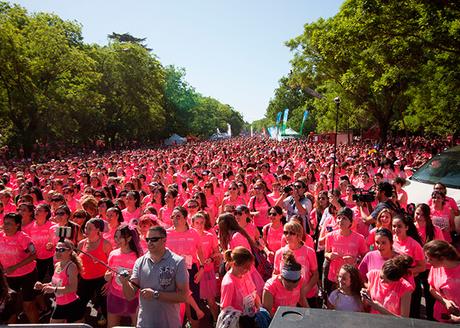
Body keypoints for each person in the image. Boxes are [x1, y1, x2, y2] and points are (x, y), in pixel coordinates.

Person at [120, 226, 189, 328]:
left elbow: (183, 296)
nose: (150, 243)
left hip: (169, 324)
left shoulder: (178, 262)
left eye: (154, 239)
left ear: (164, 240)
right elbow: (130, 296)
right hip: (144, 324)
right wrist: (125, 283)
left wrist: (156, 295)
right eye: (147, 239)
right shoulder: (139, 262)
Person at [34, 239, 85, 323]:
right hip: (60, 304)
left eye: (62, 250)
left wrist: (54, 289)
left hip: (72, 305)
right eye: (56, 249)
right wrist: (43, 285)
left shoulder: (71, 267)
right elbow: (55, 283)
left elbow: (73, 288)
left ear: (70, 251)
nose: (58, 252)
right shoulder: (57, 264)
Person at [0, 212, 39, 323]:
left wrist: (15, 267)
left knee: (28, 305)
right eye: (4, 223)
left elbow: (34, 255)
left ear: (17, 225)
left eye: (9, 224)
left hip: (27, 274)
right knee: (9, 308)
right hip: (8, 277)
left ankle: (36, 326)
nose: (5, 226)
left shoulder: (23, 238)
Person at [105, 224, 142, 327]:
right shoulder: (113, 254)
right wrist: (107, 277)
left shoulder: (138, 256)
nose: (117, 239)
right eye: (116, 236)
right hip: (114, 296)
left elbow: (140, 278)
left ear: (129, 238)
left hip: (134, 297)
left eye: (120, 237)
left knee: (137, 325)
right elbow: (109, 271)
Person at [424, 240, 460, 323]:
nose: (427, 261)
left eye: (430, 259)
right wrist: (445, 302)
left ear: (442, 258)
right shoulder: (435, 267)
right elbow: (431, 288)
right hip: (442, 316)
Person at [263, 250, 305, 317]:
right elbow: (267, 314)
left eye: (294, 286)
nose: (291, 290)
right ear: (282, 277)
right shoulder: (270, 287)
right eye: (288, 287)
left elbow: (302, 299)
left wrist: (310, 314)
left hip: (293, 317)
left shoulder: (301, 281)